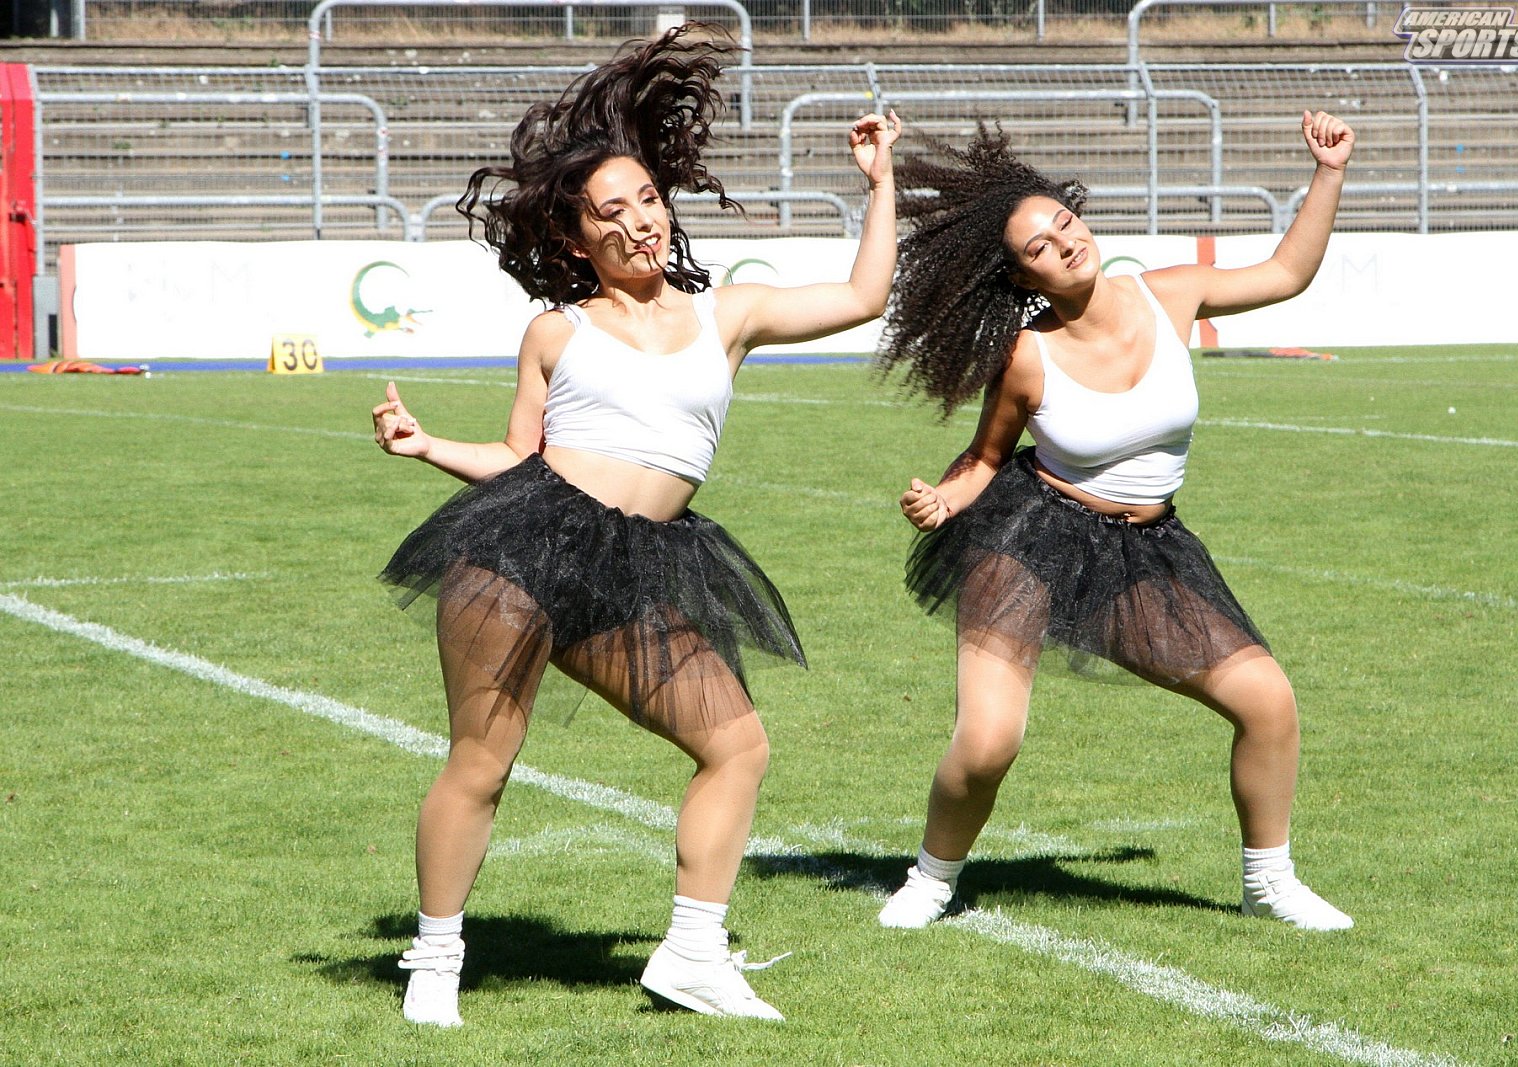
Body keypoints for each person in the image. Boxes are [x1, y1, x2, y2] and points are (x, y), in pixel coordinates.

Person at [371, 23, 900, 1025]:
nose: (638, 220)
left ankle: (693, 955)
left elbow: (865, 294)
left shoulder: (726, 315)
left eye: (647, 199)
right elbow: (520, 458)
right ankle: (435, 961)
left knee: (735, 743)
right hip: (520, 546)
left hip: (638, 560)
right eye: (610, 212)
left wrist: (880, 178)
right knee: (481, 761)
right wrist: (427, 444)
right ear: (575, 239)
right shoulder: (556, 328)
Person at [874, 111, 1355, 933]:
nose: (1064, 242)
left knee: (1268, 701)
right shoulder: (1028, 354)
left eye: (1063, 222)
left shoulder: (1169, 294)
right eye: (1038, 247)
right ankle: (930, 877)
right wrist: (945, 500)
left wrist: (1330, 172)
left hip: (1146, 547)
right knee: (989, 740)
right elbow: (988, 457)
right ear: (1023, 277)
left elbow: (1285, 273)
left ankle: (1268, 882)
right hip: (1030, 536)